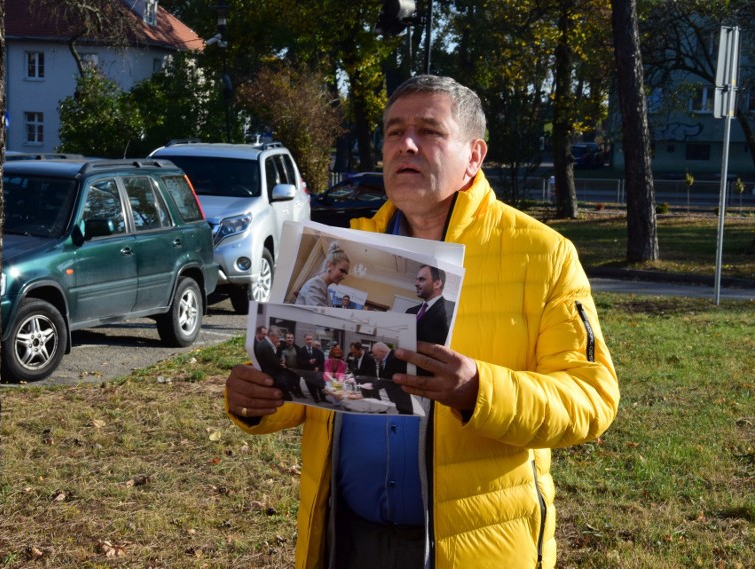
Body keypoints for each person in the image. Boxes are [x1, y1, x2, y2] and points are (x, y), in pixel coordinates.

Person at [225, 75, 619, 568]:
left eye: (429, 131)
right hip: (344, 537)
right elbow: (315, 389)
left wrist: (479, 390)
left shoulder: (541, 256)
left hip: (475, 547)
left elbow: (592, 398)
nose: (406, 144)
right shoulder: (340, 246)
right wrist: (257, 401)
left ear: (474, 156)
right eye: (394, 131)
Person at [405, 265, 455, 346]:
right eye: (416, 279)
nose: (416, 283)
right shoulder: (410, 311)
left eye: (421, 279)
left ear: (437, 284)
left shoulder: (453, 310)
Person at [253, 326, 303, 401]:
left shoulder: (264, 344)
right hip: (274, 377)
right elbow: (274, 364)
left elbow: (271, 359)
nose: (278, 340)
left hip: (272, 376)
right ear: (272, 336)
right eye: (277, 338)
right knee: (287, 399)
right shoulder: (266, 346)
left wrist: (279, 361)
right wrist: (283, 366)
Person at [295, 241, 350, 306]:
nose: (344, 276)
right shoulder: (315, 285)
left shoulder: (324, 288)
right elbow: (318, 315)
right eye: (342, 270)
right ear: (329, 265)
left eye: (345, 273)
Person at [297, 334, 327, 403]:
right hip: (307, 374)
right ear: (304, 340)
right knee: (311, 387)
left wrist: (318, 367)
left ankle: (323, 398)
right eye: (308, 339)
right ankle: (315, 398)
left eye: (311, 339)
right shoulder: (301, 351)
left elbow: (321, 362)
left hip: (317, 373)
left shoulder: (316, 351)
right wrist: (308, 362)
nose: (310, 341)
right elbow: (300, 363)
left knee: (320, 386)